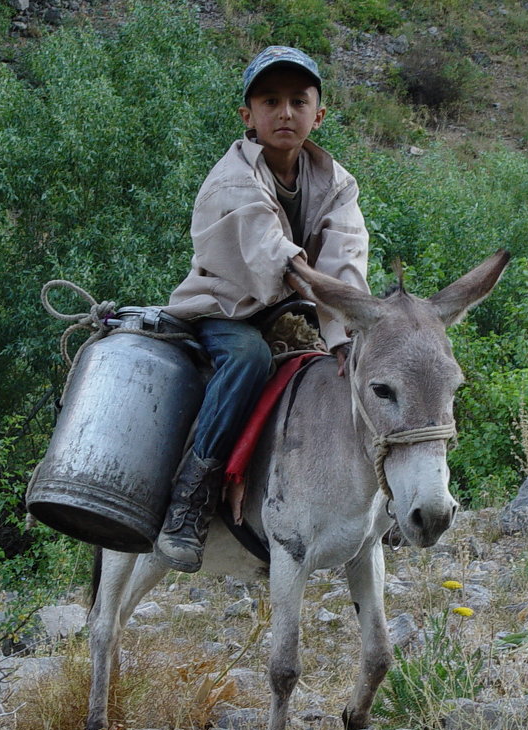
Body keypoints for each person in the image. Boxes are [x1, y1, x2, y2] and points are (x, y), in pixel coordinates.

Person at [157, 45, 371, 572]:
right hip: (225, 309)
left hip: (292, 314)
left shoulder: (337, 184)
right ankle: (191, 498)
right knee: (248, 359)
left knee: (345, 376)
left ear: (318, 115)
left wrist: (348, 339)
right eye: (270, 101)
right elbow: (273, 258)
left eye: (299, 101)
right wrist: (332, 315)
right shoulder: (232, 180)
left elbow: (345, 260)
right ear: (247, 116)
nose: (285, 113)